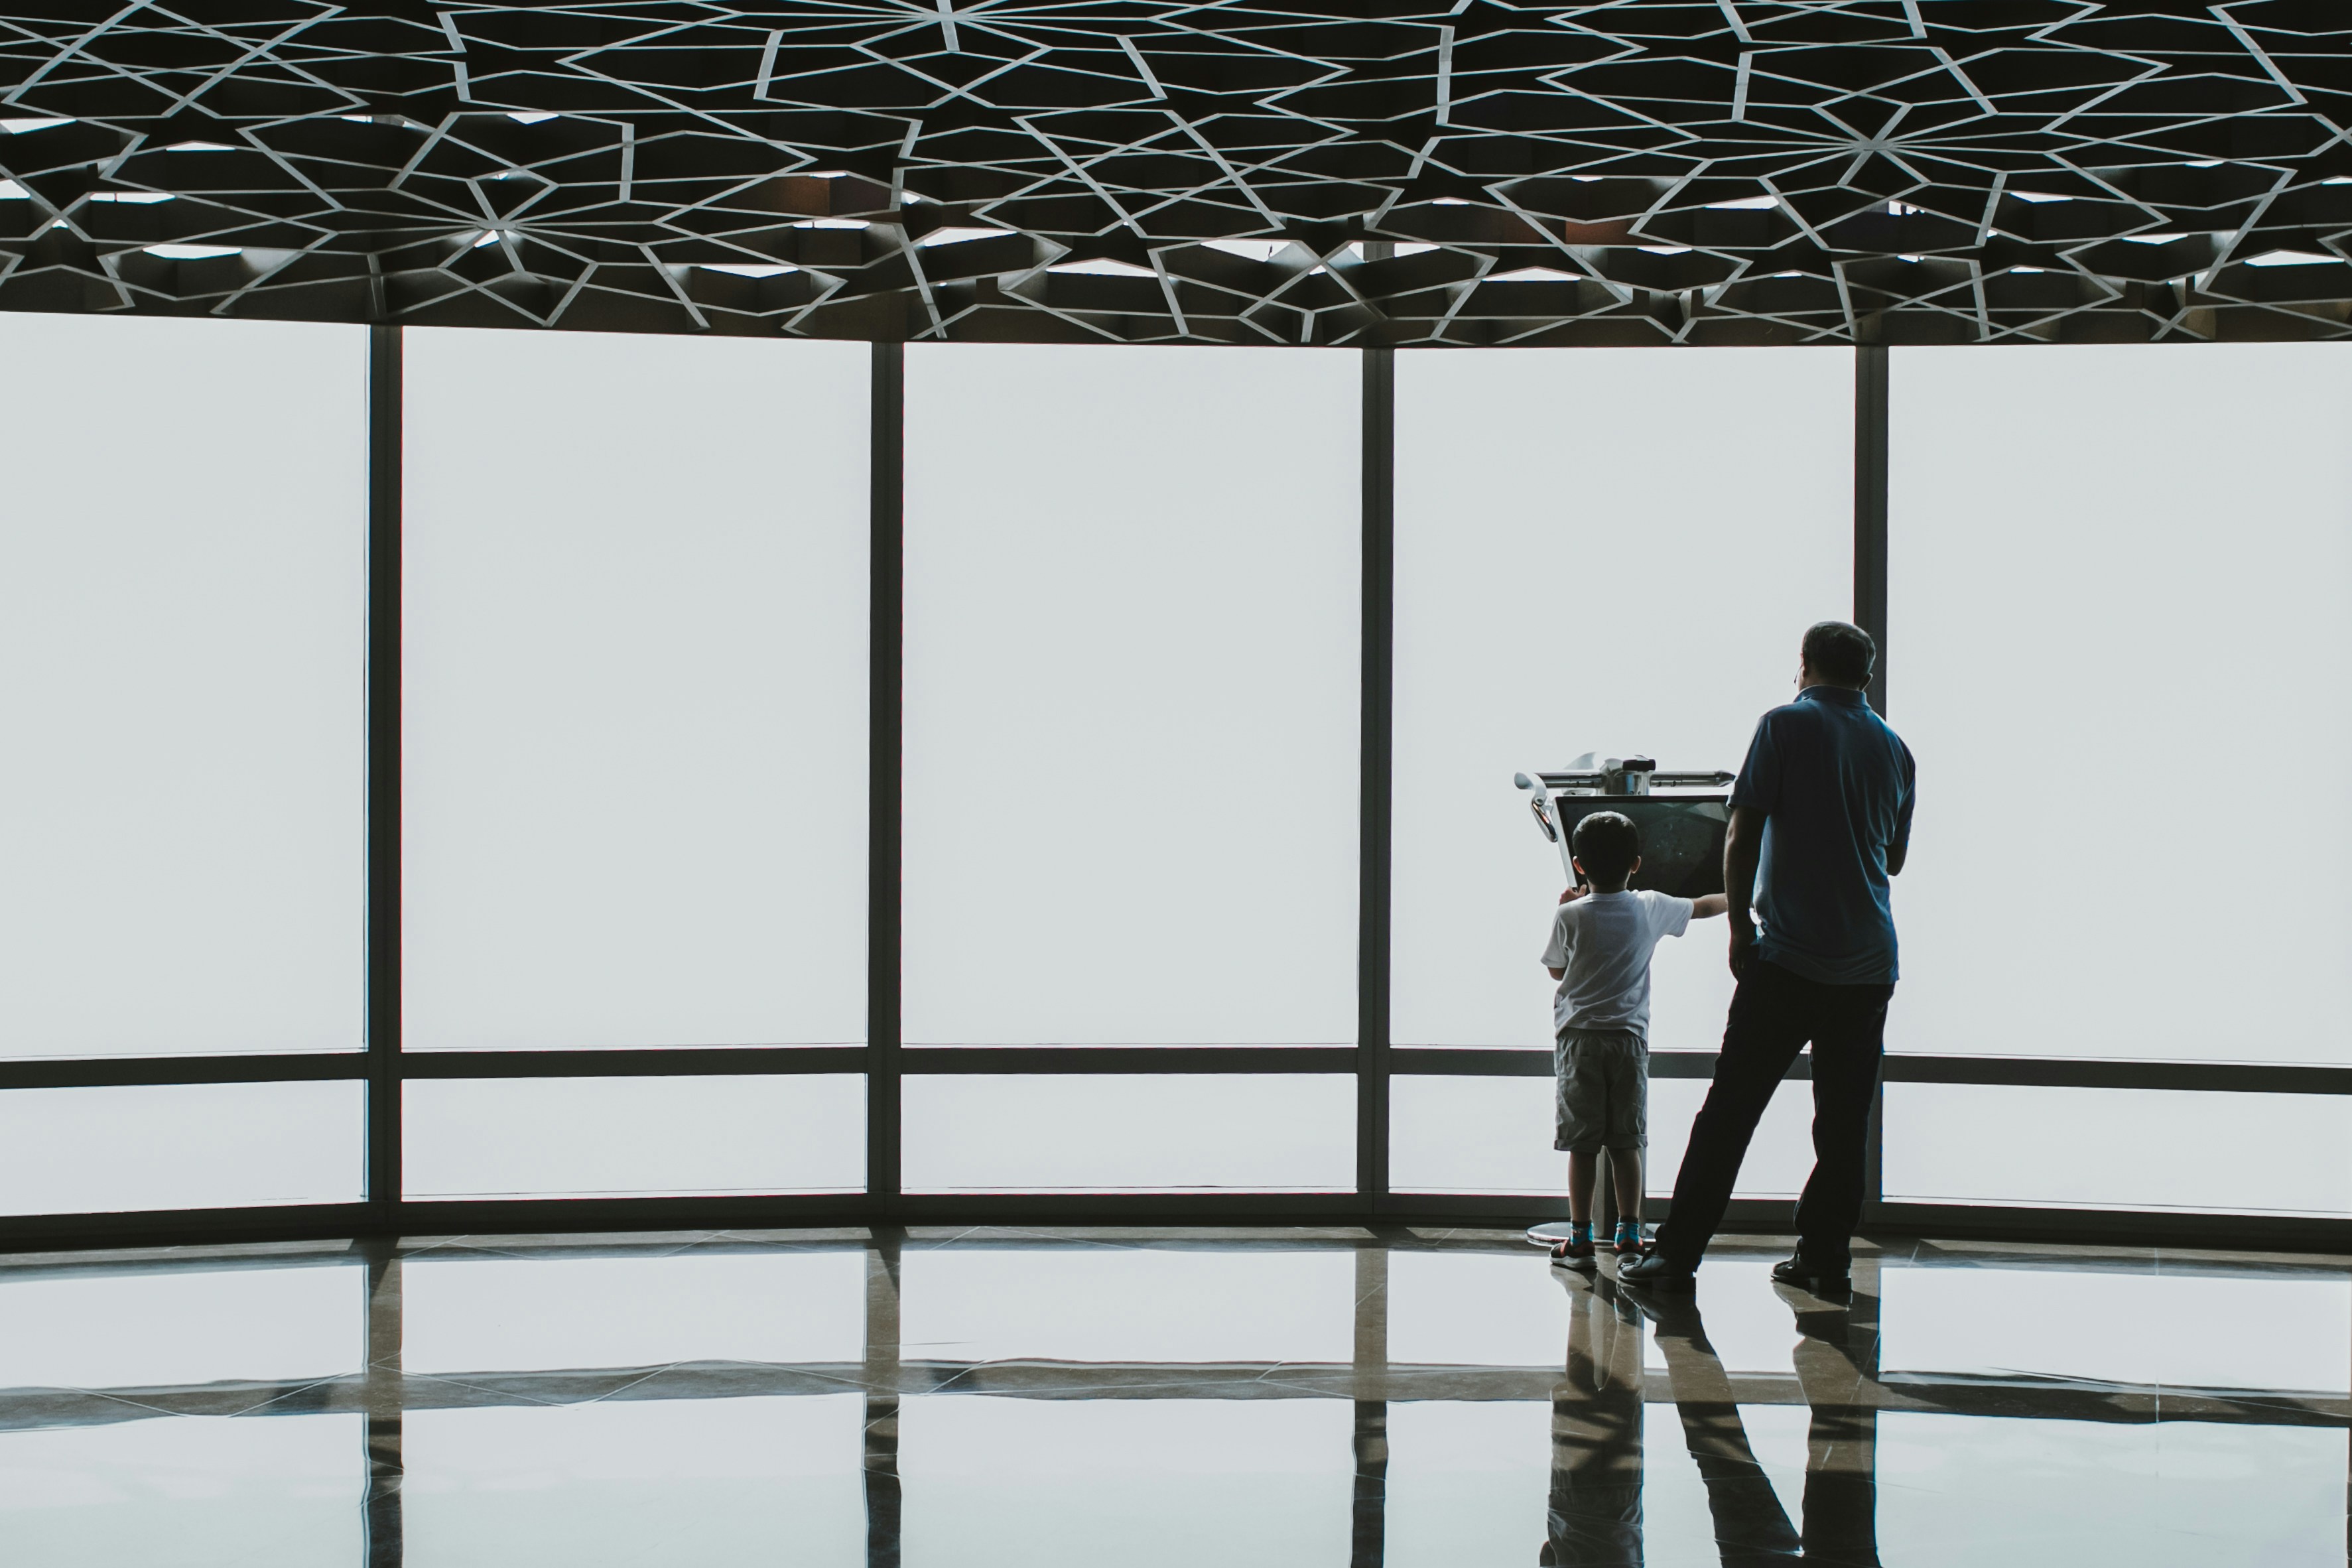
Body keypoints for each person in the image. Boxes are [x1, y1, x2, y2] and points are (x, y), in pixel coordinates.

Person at [1622, 621, 1914, 1298]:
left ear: (1806, 667)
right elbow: (1893, 859)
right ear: (1866, 678)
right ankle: (1823, 1260)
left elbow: (1742, 829)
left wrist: (1740, 930)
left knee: (1730, 1112)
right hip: (1869, 962)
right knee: (1843, 1127)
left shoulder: (1783, 726)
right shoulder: (1898, 751)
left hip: (1789, 956)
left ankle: (1675, 1258)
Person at [1541, 811, 1728, 1263]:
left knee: (1582, 1145)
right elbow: (1703, 906)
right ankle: (1629, 1231)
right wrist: (1742, 891)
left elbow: (1557, 971)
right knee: (1627, 1141)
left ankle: (1581, 1235)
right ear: (1637, 863)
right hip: (1627, 1040)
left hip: (1579, 1039)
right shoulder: (1650, 906)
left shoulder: (1569, 914)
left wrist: (1566, 903)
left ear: (1580, 865)